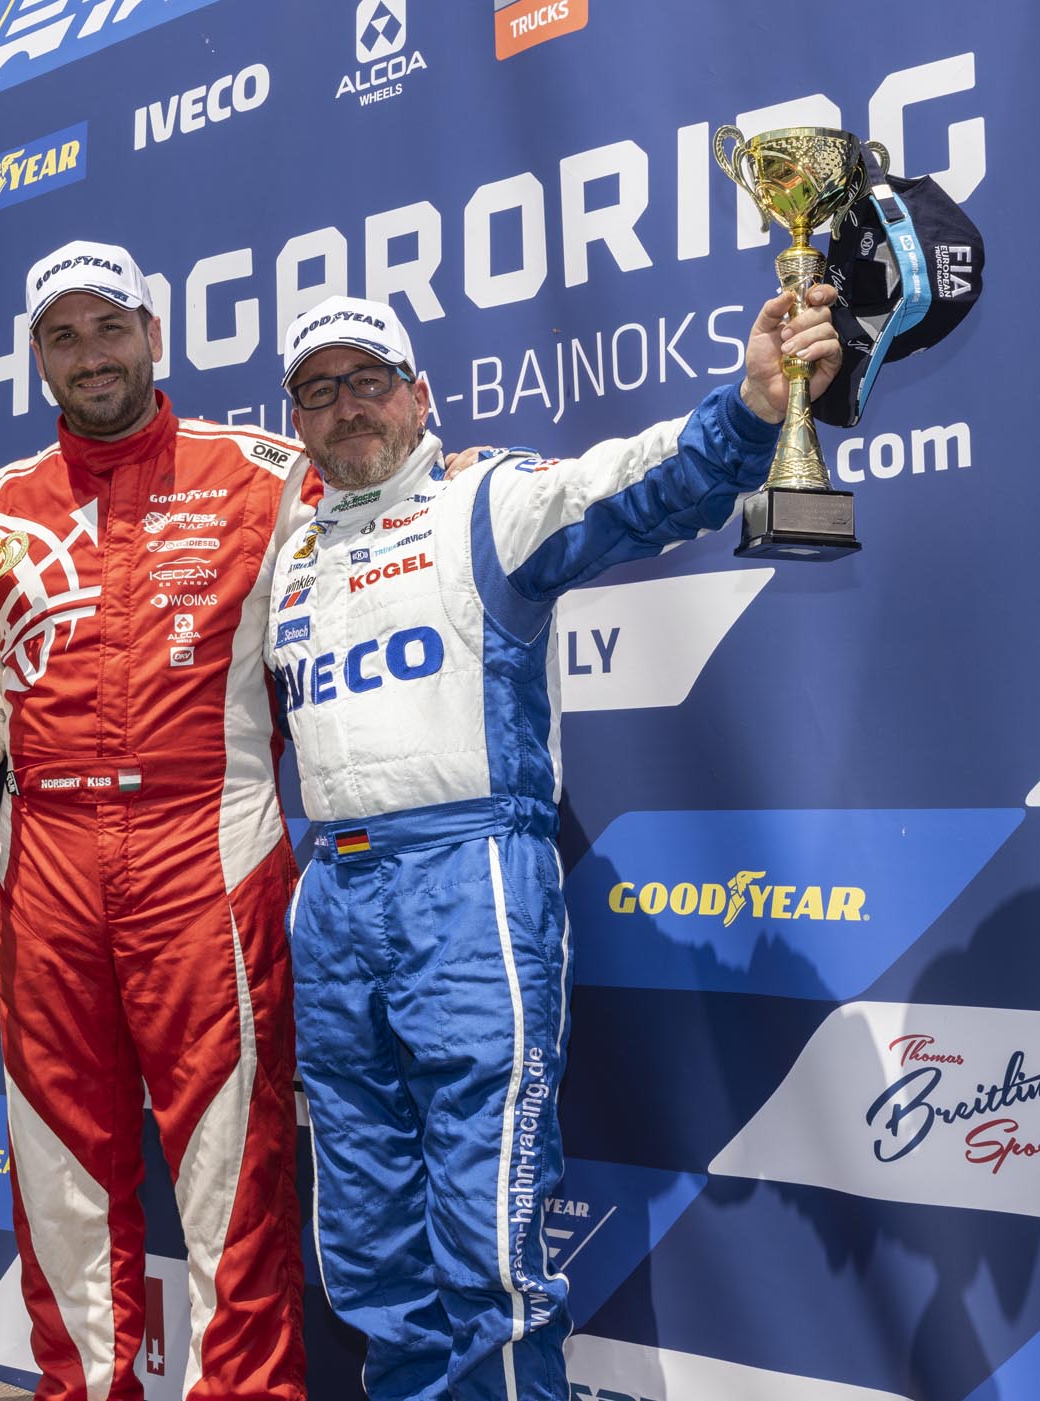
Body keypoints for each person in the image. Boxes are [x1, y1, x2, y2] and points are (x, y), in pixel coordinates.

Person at [269, 287, 841, 1401]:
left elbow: (630, 487)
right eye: (320, 390)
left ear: (419, 395)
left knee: (487, 1232)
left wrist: (749, 411)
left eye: (369, 380)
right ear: (297, 420)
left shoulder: (486, 499)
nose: (348, 407)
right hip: (332, 893)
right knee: (368, 1240)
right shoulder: (288, 554)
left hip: (469, 880)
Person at [0, 240, 309, 1400]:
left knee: (234, 1171)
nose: (90, 353)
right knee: (62, 1176)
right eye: (63, 336)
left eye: (109, 327)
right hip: (48, 858)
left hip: (207, 846)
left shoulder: (267, 476)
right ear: (37, 357)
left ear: (154, 334)